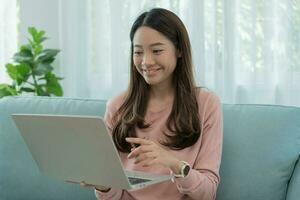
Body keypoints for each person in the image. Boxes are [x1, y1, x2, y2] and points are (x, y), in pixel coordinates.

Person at [81, 8, 223, 200]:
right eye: (138, 52)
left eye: (157, 50)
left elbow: (207, 193)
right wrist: (103, 186)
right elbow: (115, 196)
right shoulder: (117, 106)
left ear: (179, 50)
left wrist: (173, 163)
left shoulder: (206, 104)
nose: (146, 61)